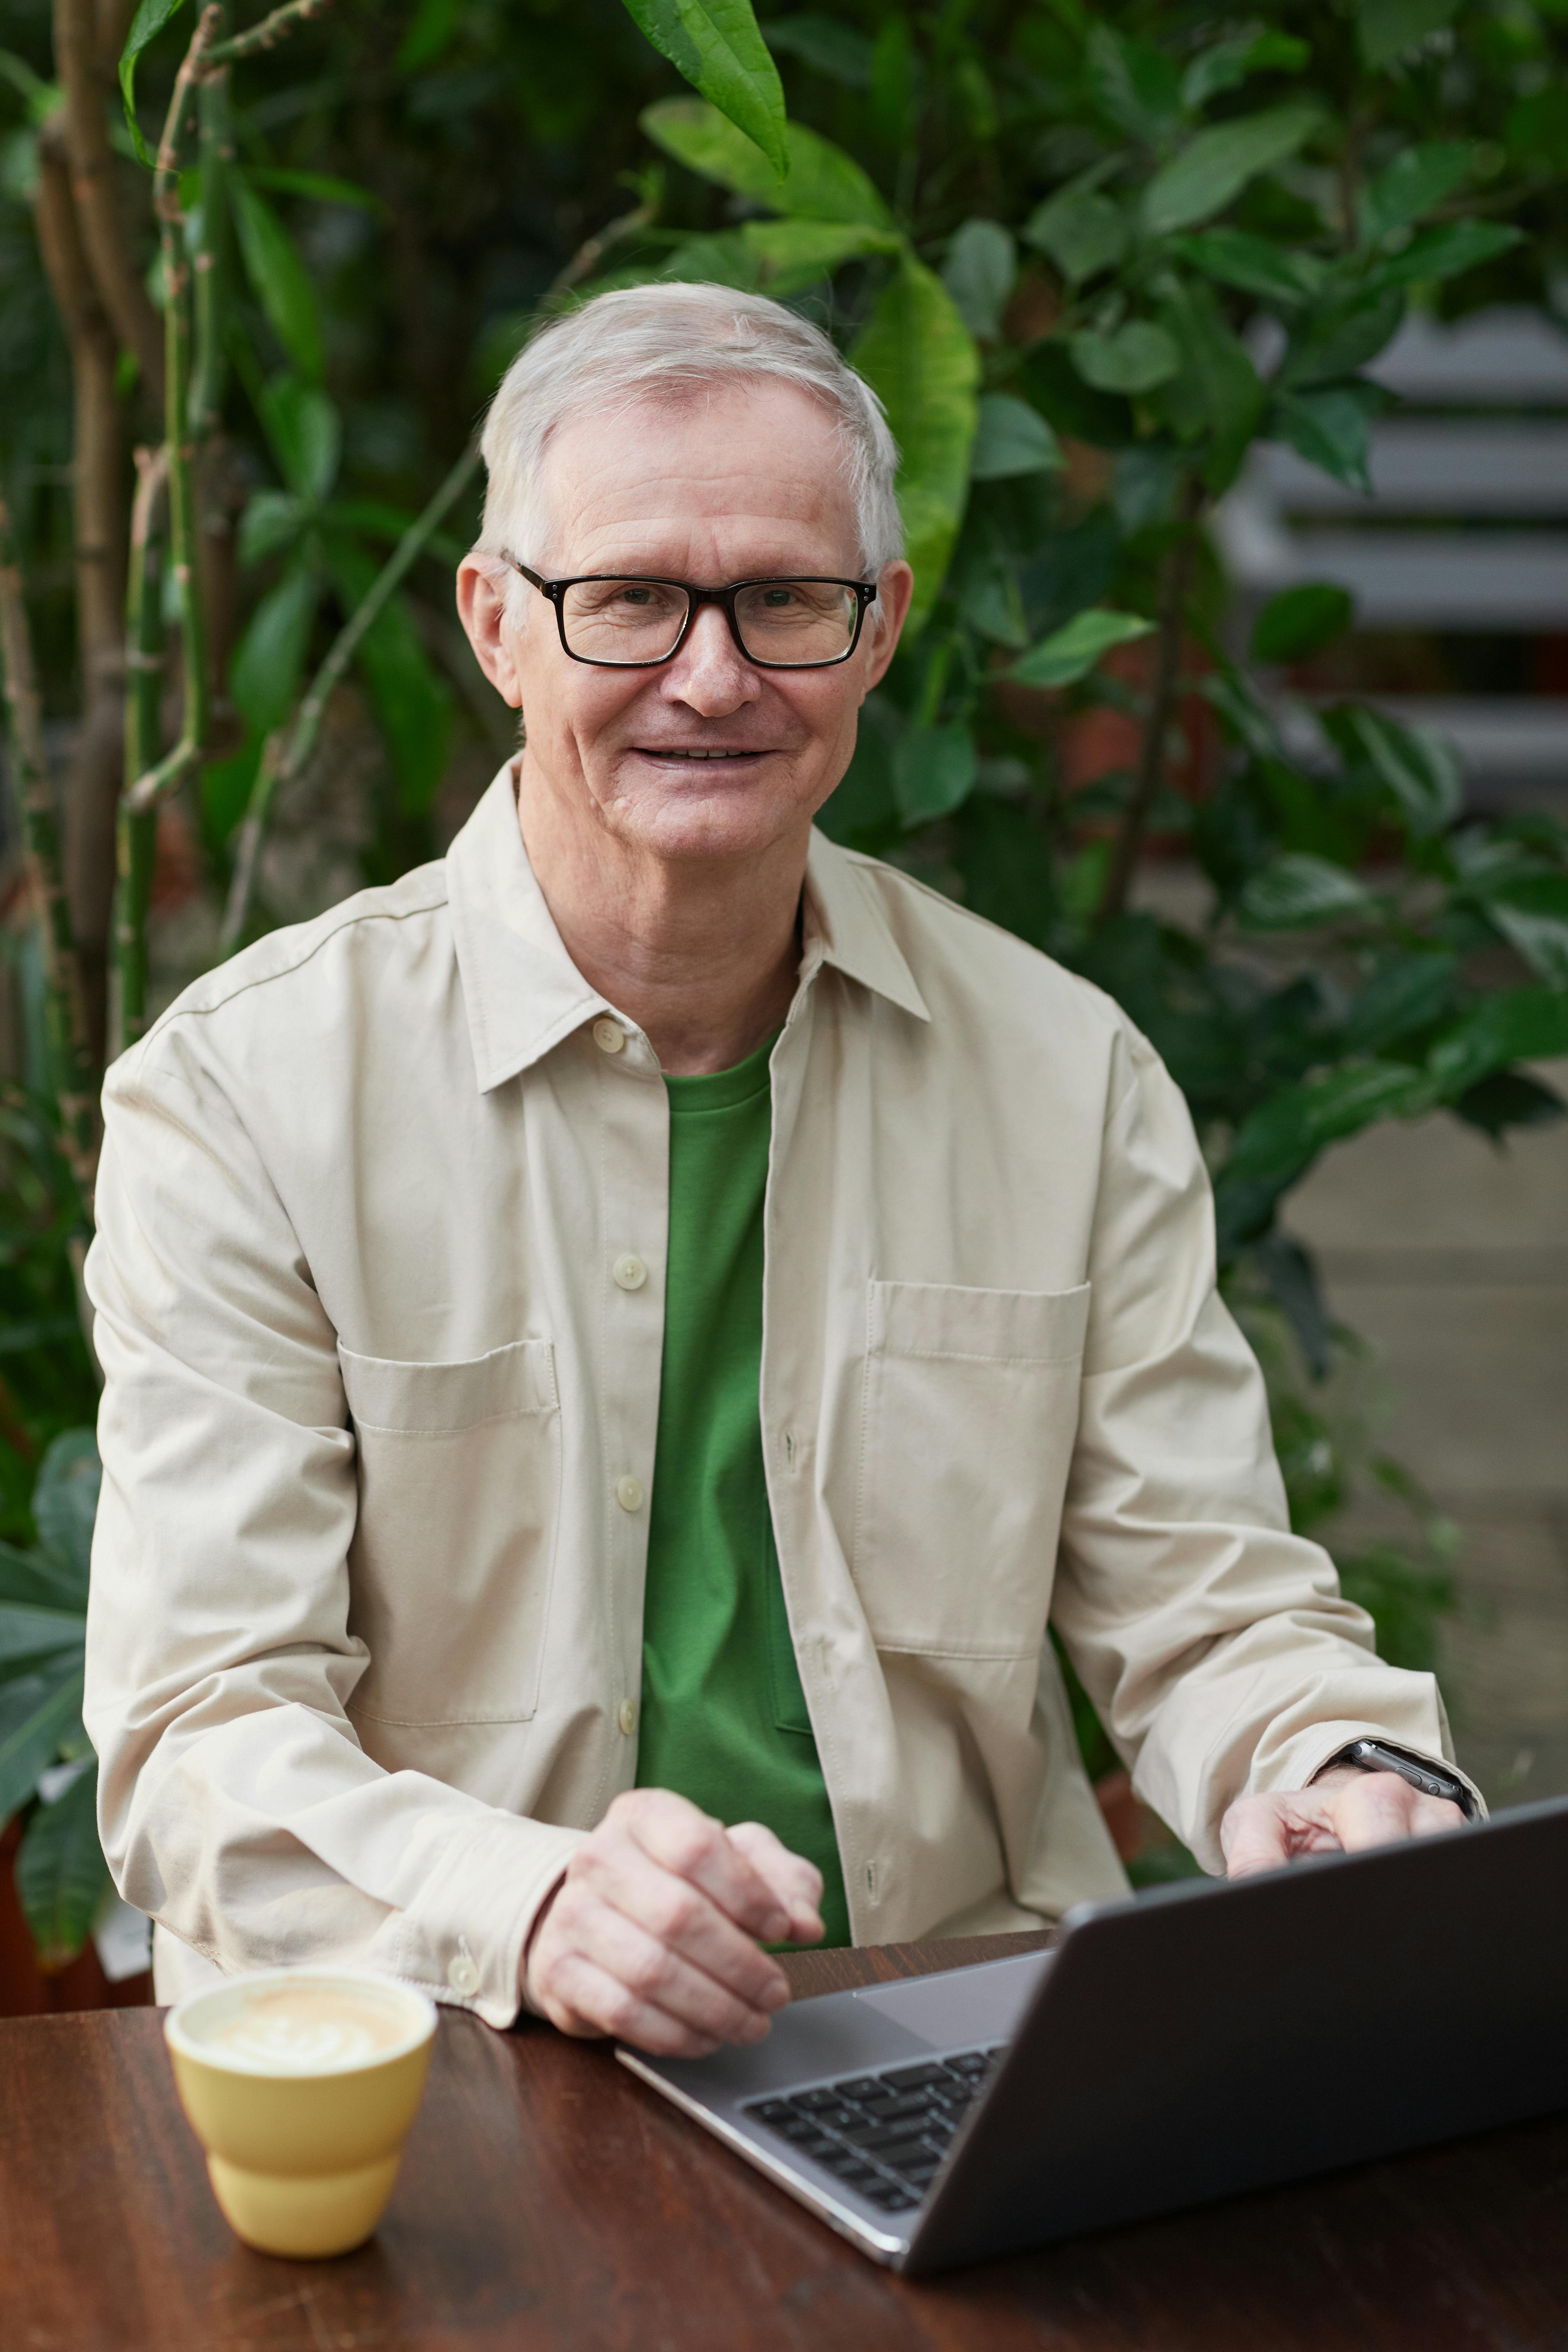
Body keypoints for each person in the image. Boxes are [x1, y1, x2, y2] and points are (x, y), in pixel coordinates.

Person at [83, 285, 1477, 2062]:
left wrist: (1327, 1763)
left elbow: (1207, 1603)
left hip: (951, 2029)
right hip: (439, 2048)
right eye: (632, 599)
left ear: (879, 629)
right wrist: (531, 1902)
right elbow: (201, 1734)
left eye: (783, 602)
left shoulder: (1060, 1077)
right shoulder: (247, 1095)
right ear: (497, 624)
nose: (714, 674)